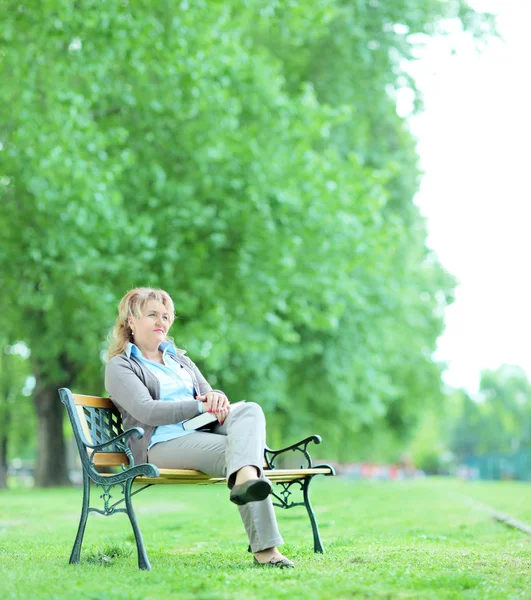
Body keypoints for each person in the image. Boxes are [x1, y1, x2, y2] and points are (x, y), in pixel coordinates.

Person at [105, 287, 294, 568]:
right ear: (130, 321)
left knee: (250, 411)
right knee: (243, 455)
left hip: (200, 431)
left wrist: (215, 397)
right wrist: (199, 406)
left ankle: (244, 480)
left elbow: (208, 395)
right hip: (160, 444)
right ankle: (266, 550)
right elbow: (147, 410)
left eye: (166, 315)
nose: (162, 321)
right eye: (152, 315)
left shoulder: (179, 359)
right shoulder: (121, 366)